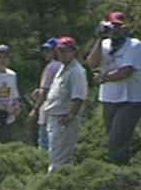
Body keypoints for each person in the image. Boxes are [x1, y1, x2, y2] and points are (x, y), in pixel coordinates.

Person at [86, 11, 141, 164]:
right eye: (112, 26)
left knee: (117, 139)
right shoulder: (104, 44)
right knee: (113, 138)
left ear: (125, 28)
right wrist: (99, 38)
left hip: (130, 100)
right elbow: (92, 63)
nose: (115, 30)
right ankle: (122, 167)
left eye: (118, 26)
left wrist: (103, 78)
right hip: (109, 98)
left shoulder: (134, 45)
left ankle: (119, 169)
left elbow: (126, 71)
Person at [42, 37, 88, 172]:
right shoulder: (62, 68)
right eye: (60, 50)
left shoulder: (76, 71)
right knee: (54, 153)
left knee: (59, 157)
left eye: (66, 51)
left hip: (64, 119)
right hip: (54, 117)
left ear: (74, 52)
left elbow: (78, 97)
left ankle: (55, 180)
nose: (62, 54)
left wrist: (70, 115)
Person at [29, 38, 62, 150]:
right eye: (45, 51)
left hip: (47, 112)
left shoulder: (51, 67)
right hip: (60, 111)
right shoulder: (65, 66)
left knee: (44, 145)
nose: (45, 53)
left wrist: (35, 109)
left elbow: (45, 91)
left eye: (49, 51)